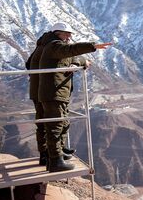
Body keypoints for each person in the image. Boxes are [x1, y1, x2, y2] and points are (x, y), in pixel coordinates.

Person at [38, 22, 112, 172]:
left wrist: (82, 62)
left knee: (61, 124)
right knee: (55, 127)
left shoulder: (56, 48)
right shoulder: (54, 46)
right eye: (67, 34)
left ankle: (58, 155)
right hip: (53, 93)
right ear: (58, 33)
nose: (69, 37)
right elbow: (70, 50)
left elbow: (73, 57)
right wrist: (92, 46)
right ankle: (55, 161)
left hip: (58, 93)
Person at [25, 29, 56, 166]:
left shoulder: (39, 48)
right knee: (50, 123)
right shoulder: (50, 48)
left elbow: (28, 64)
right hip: (43, 92)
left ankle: (44, 154)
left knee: (42, 124)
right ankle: (49, 154)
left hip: (35, 91)